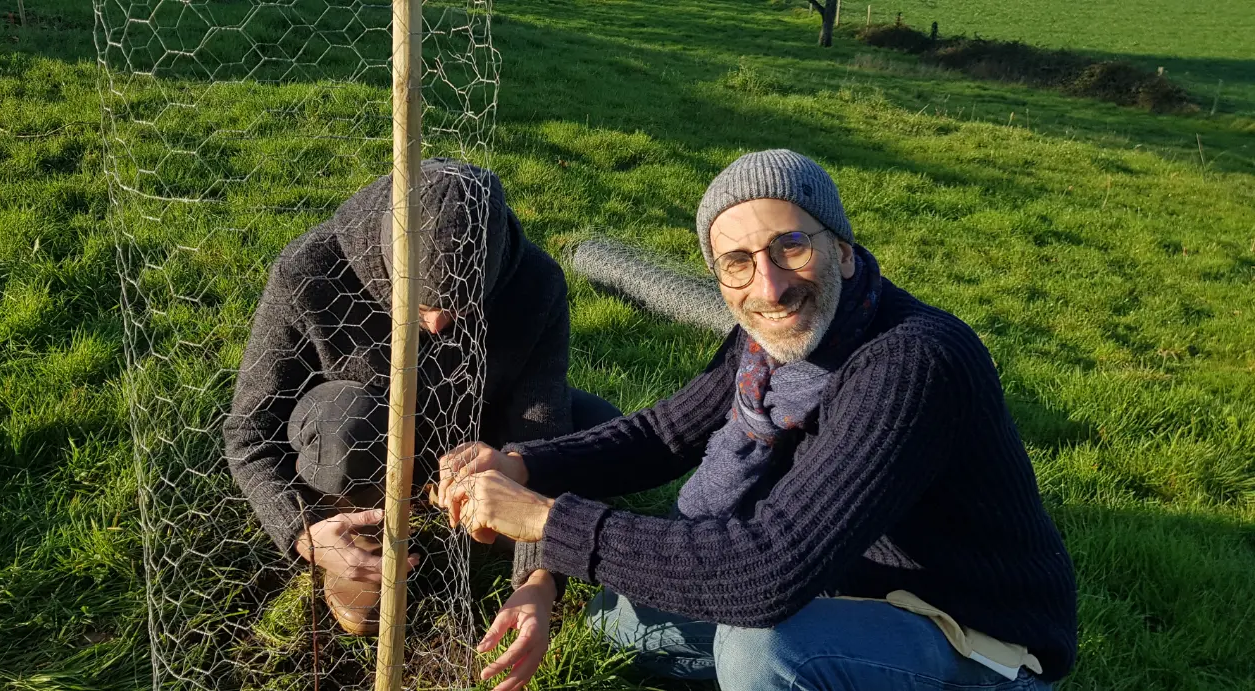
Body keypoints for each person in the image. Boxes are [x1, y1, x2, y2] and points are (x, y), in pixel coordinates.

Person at [439, 150, 1079, 690]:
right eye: (737, 262)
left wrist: (546, 522)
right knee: (621, 623)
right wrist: (524, 463)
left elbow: (768, 571)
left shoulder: (911, 364)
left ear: (844, 251)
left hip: (973, 636)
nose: (769, 286)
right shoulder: (772, 343)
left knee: (762, 649)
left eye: (790, 246)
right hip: (853, 585)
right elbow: (664, 433)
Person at [224, 158, 619, 637]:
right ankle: (356, 532)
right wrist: (301, 532)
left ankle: (451, 498)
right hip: (357, 437)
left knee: (601, 435)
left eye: (460, 307)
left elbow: (539, 422)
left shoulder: (536, 283)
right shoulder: (310, 270)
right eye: (422, 305)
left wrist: (537, 574)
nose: (436, 324)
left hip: (468, 434)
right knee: (346, 427)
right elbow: (250, 432)